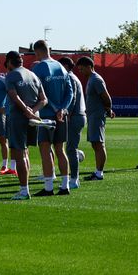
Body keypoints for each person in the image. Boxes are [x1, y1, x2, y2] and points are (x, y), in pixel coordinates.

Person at [30, 40, 72, 196]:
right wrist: (63, 109)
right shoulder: (61, 67)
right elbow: (70, 92)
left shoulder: (39, 68)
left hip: (47, 116)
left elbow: (42, 94)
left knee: (46, 149)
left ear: (38, 52)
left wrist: (55, 108)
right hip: (62, 116)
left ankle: (48, 188)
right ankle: (65, 186)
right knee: (60, 150)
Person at [4, 51, 47, 200]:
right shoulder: (33, 75)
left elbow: (13, 95)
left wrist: (26, 110)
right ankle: (25, 188)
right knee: (25, 152)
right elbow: (44, 100)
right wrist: (33, 111)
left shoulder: (11, 75)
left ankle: (24, 190)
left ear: (9, 62)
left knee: (19, 153)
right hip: (33, 119)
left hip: (18, 118)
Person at [74, 56, 115, 180]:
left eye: (82, 69)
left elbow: (106, 97)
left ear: (89, 67)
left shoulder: (96, 79)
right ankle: (97, 172)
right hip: (92, 115)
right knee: (95, 144)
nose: (80, 72)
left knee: (99, 144)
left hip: (97, 116)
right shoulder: (91, 79)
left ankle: (99, 173)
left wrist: (108, 109)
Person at [59, 56, 87, 189]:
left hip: (74, 116)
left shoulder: (69, 77)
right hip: (77, 115)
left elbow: (73, 96)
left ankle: (74, 179)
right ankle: (77, 155)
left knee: (70, 148)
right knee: (70, 147)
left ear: (65, 66)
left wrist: (67, 113)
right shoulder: (72, 76)